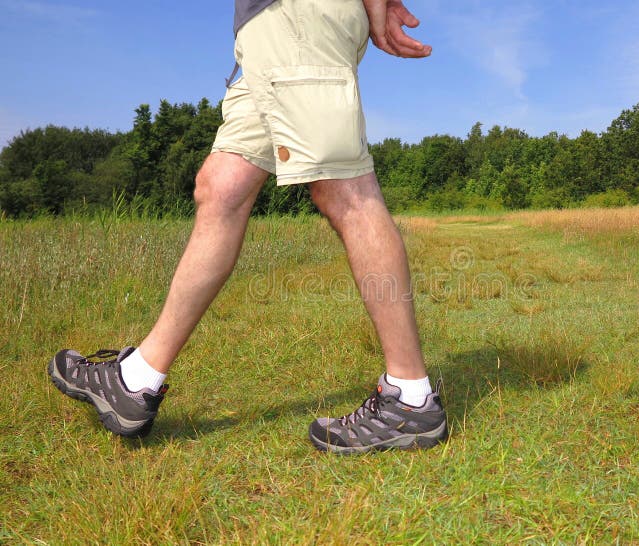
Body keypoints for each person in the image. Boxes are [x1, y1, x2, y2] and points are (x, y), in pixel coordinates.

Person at [47, 0, 447, 454]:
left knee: (345, 191)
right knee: (221, 187)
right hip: (265, 30)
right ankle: (135, 381)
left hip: (296, 18)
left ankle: (410, 400)